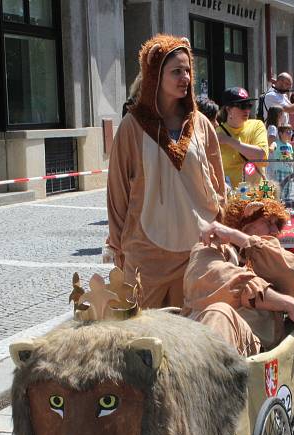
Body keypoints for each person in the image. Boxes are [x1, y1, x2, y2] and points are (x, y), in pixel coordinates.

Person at [107, 34, 225, 309]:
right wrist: (117, 243)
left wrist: (222, 227)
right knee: (145, 337)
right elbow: (117, 190)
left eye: (188, 70)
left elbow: (218, 184)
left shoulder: (202, 125)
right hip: (147, 255)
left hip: (198, 251)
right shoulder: (132, 127)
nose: (185, 77)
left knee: (194, 337)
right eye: (176, 71)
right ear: (155, 76)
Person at [184, 196, 294, 356]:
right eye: (268, 222)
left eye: (277, 225)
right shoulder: (207, 247)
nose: (275, 231)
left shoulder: (270, 257)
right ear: (244, 225)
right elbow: (226, 281)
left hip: (258, 351)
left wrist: (240, 238)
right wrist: (289, 304)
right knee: (220, 313)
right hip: (207, 346)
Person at [216, 87, 269, 188]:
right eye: (242, 106)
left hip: (257, 194)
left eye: (249, 105)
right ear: (228, 109)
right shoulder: (217, 133)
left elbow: (261, 156)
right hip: (230, 197)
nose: (247, 110)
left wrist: (229, 141)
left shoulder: (257, 125)